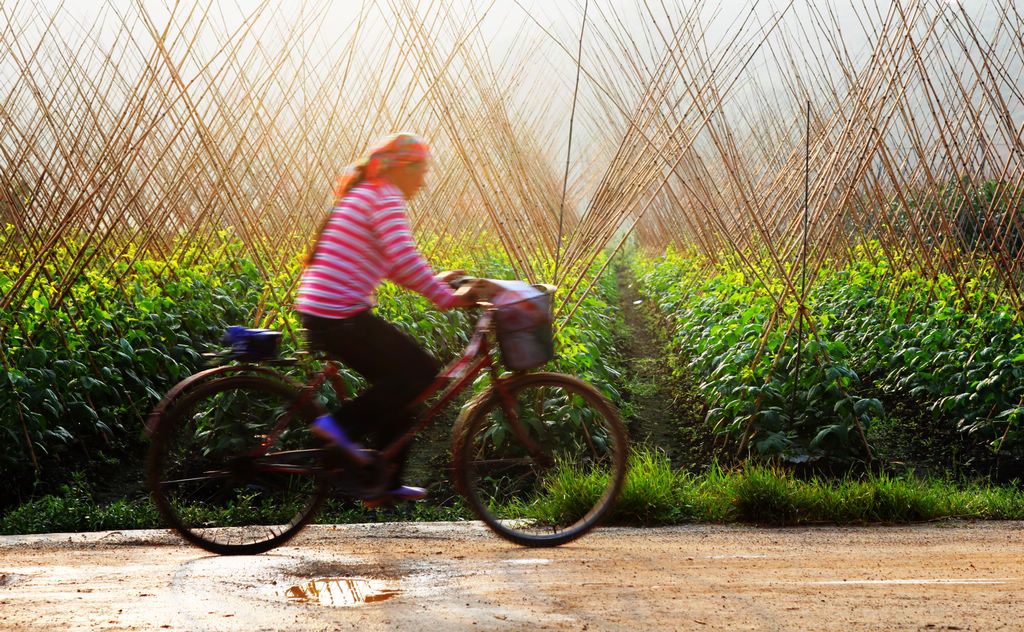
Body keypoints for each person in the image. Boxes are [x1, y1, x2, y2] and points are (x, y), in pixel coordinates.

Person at [294, 132, 474, 506]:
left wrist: (437, 281)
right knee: (420, 370)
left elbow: (390, 262)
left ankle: (386, 480)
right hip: (339, 314)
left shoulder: (367, 192)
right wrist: (447, 297)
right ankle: (336, 430)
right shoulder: (385, 195)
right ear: (403, 169)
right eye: (421, 171)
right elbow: (404, 257)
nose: (423, 182)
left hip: (324, 309)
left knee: (403, 387)